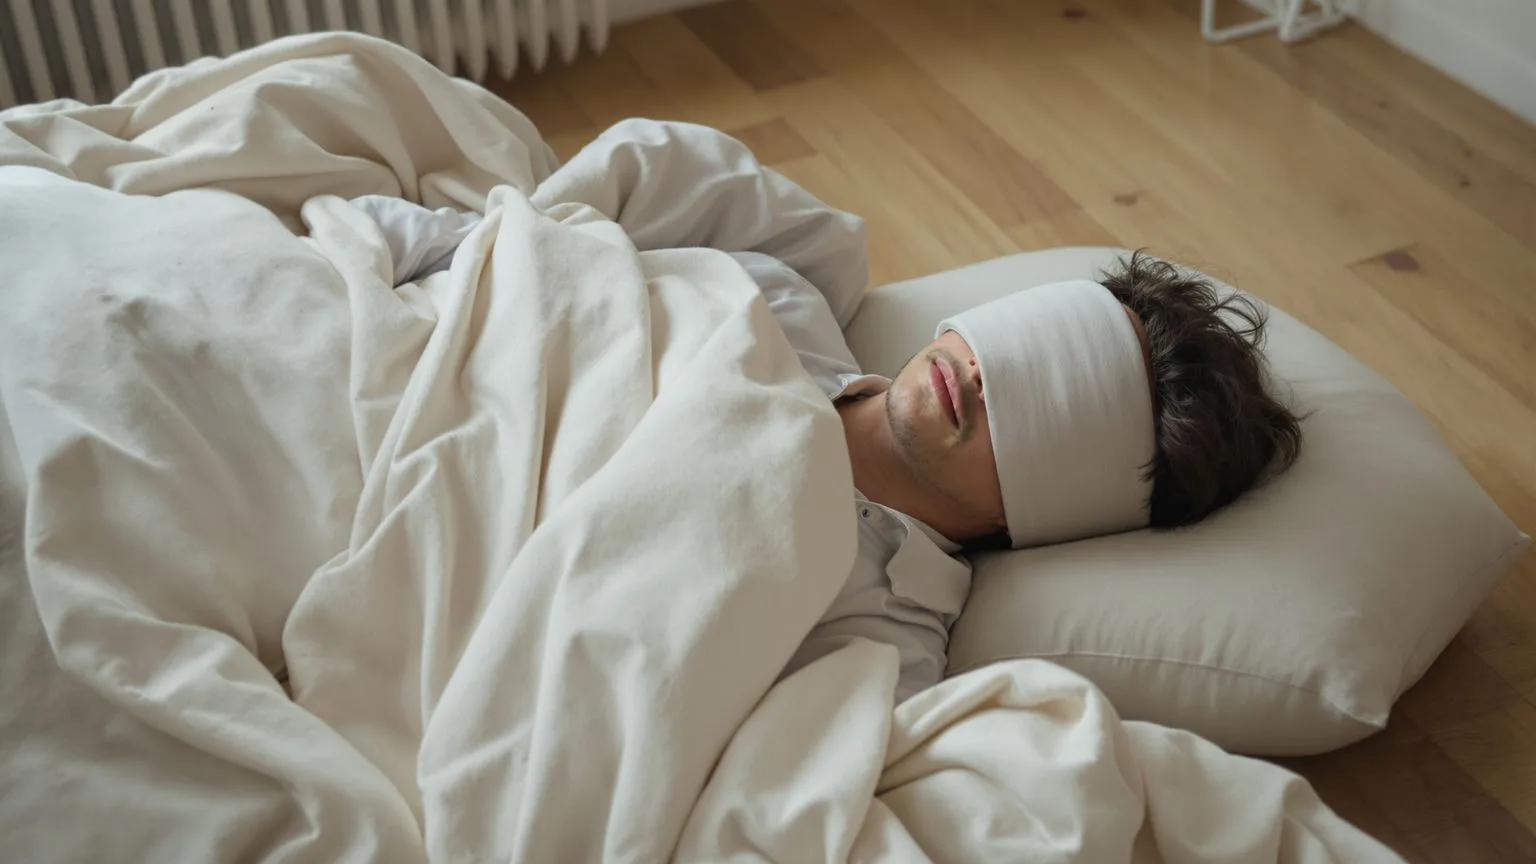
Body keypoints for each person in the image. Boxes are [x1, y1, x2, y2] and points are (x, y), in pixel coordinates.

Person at [349, 121, 1301, 703]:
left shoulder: (882, 633)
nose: (981, 378)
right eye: (1016, 348)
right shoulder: (777, 293)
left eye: (1050, 409)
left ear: (1047, 515)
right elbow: (487, 257)